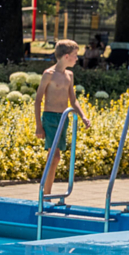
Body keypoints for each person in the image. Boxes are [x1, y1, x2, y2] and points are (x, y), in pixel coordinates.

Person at [35, 39, 91, 195]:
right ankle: (46, 193)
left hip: (63, 118)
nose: (77, 58)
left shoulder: (69, 75)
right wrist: (38, 125)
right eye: (75, 55)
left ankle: (45, 191)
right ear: (66, 56)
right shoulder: (48, 74)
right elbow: (38, 100)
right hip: (50, 118)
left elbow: (73, 100)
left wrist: (83, 116)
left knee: (54, 157)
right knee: (55, 157)